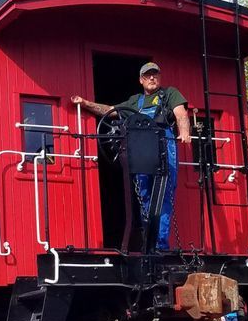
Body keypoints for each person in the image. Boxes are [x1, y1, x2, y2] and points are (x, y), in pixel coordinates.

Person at [72, 62, 191, 250]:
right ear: (141, 80)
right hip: (141, 148)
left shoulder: (170, 93)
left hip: (163, 145)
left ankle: (159, 245)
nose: (152, 78)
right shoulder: (135, 101)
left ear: (160, 77)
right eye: (147, 76)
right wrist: (85, 103)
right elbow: (110, 111)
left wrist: (184, 132)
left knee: (163, 196)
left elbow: (181, 114)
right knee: (143, 195)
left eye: (155, 75)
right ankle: (148, 243)